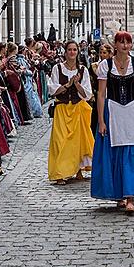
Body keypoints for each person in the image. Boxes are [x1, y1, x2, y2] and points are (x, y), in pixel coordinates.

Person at [91, 32, 134, 211]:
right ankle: (119, 194)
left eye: (128, 42)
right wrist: (101, 120)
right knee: (115, 153)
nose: (125, 45)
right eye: (121, 42)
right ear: (115, 45)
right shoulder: (105, 65)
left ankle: (131, 197)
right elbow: (101, 94)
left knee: (133, 153)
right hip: (114, 110)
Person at [47, 41, 93, 184]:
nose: (72, 52)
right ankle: (60, 172)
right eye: (70, 50)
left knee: (77, 141)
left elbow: (87, 94)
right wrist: (68, 84)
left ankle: (77, 169)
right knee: (60, 141)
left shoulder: (83, 70)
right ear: (65, 52)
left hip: (77, 108)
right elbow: (53, 89)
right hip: (62, 108)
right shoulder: (57, 68)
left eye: (74, 50)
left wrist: (77, 84)